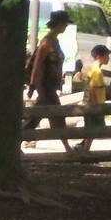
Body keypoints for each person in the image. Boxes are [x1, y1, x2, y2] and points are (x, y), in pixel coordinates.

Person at [26, 10, 72, 150]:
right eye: (64, 24)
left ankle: (17, 139)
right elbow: (37, 64)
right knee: (57, 114)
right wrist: (33, 84)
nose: (66, 27)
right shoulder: (46, 42)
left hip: (50, 85)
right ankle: (67, 148)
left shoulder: (55, 41)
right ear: (58, 24)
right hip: (44, 85)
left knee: (35, 117)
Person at [75, 43, 111, 153]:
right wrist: (96, 106)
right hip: (94, 105)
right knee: (92, 131)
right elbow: (92, 88)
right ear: (100, 57)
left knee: (92, 131)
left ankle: (82, 148)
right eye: (107, 55)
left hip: (92, 104)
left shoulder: (94, 69)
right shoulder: (97, 71)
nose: (108, 58)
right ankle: (84, 152)